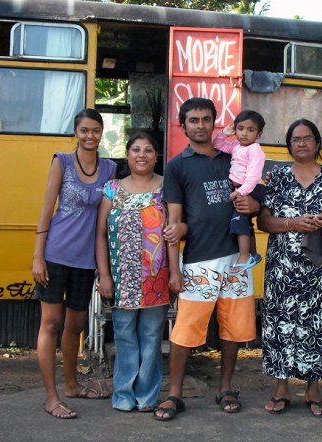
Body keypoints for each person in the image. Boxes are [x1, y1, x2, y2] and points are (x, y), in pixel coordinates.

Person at [153, 97, 262, 421]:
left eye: (205, 119)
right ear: (182, 125)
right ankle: (174, 394)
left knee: (234, 328)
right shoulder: (177, 166)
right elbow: (173, 223)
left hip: (237, 259)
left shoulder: (234, 155)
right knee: (185, 331)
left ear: (214, 122)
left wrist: (253, 207)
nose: (200, 125)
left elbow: (257, 198)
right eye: (193, 120)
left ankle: (225, 387)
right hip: (199, 261)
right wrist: (174, 270)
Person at [257, 119, 322, 417]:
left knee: (317, 325)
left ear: (317, 143)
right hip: (282, 267)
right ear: (289, 144)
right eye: (296, 139)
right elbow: (264, 221)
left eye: (308, 138)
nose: (301, 143)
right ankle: (281, 387)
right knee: (280, 323)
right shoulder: (278, 177)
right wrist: (292, 224)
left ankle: (313, 388)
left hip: (321, 268)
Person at [32, 108, 116, 419]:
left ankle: (71, 385)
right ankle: (51, 396)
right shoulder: (62, 161)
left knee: (76, 325)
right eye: (84, 130)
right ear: (75, 132)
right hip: (55, 254)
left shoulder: (109, 168)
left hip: (85, 259)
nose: (90, 136)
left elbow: (108, 218)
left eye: (95, 130)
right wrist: (38, 256)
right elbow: (46, 209)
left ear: (101, 132)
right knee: (51, 324)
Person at [95, 132, 183, 412]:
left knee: (151, 339)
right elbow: (99, 236)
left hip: (156, 280)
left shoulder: (166, 188)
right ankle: (122, 395)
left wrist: (174, 272)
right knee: (124, 338)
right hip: (122, 279)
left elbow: (172, 233)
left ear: (156, 156)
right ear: (127, 154)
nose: (142, 155)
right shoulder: (112, 189)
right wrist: (105, 276)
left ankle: (146, 396)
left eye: (148, 150)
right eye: (136, 150)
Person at [213, 109, 266, 274]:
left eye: (250, 130)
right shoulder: (235, 145)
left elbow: (253, 176)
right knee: (246, 223)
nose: (244, 133)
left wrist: (241, 192)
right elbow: (217, 145)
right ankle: (254, 253)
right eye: (240, 128)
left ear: (259, 134)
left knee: (238, 219)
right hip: (243, 189)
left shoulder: (255, 150)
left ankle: (244, 255)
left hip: (252, 189)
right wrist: (224, 133)